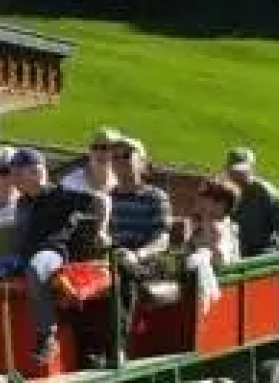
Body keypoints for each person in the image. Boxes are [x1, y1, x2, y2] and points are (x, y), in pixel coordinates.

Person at [0, 146, 103, 366]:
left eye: (16, 173)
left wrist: (102, 229)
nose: (12, 179)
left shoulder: (60, 195)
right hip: (25, 255)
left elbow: (101, 200)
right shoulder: (22, 202)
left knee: (36, 266)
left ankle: (47, 337)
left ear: (35, 172)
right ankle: (1, 348)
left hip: (53, 253)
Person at [106, 136, 173, 350]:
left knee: (123, 269)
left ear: (141, 161)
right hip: (114, 258)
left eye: (126, 155)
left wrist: (137, 255)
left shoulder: (155, 197)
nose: (119, 161)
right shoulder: (107, 198)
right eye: (114, 157)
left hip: (148, 261)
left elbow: (162, 240)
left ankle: (117, 348)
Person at [224, 146, 279, 256]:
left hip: (264, 255)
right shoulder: (225, 192)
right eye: (234, 172)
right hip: (236, 254)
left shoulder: (265, 193)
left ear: (251, 169)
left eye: (242, 172)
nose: (237, 176)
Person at [60, 126, 120, 214]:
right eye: (94, 147)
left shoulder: (121, 181)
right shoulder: (71, 182)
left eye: (105, 148)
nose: (99, 152)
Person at [186, 176, 241, 268]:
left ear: (222, 205)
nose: (199, 200)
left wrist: (208, 248)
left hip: (220, 278)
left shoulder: (222, 228)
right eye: (201, 195)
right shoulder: (200, 224)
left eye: (205, 196)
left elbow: (222, 262)